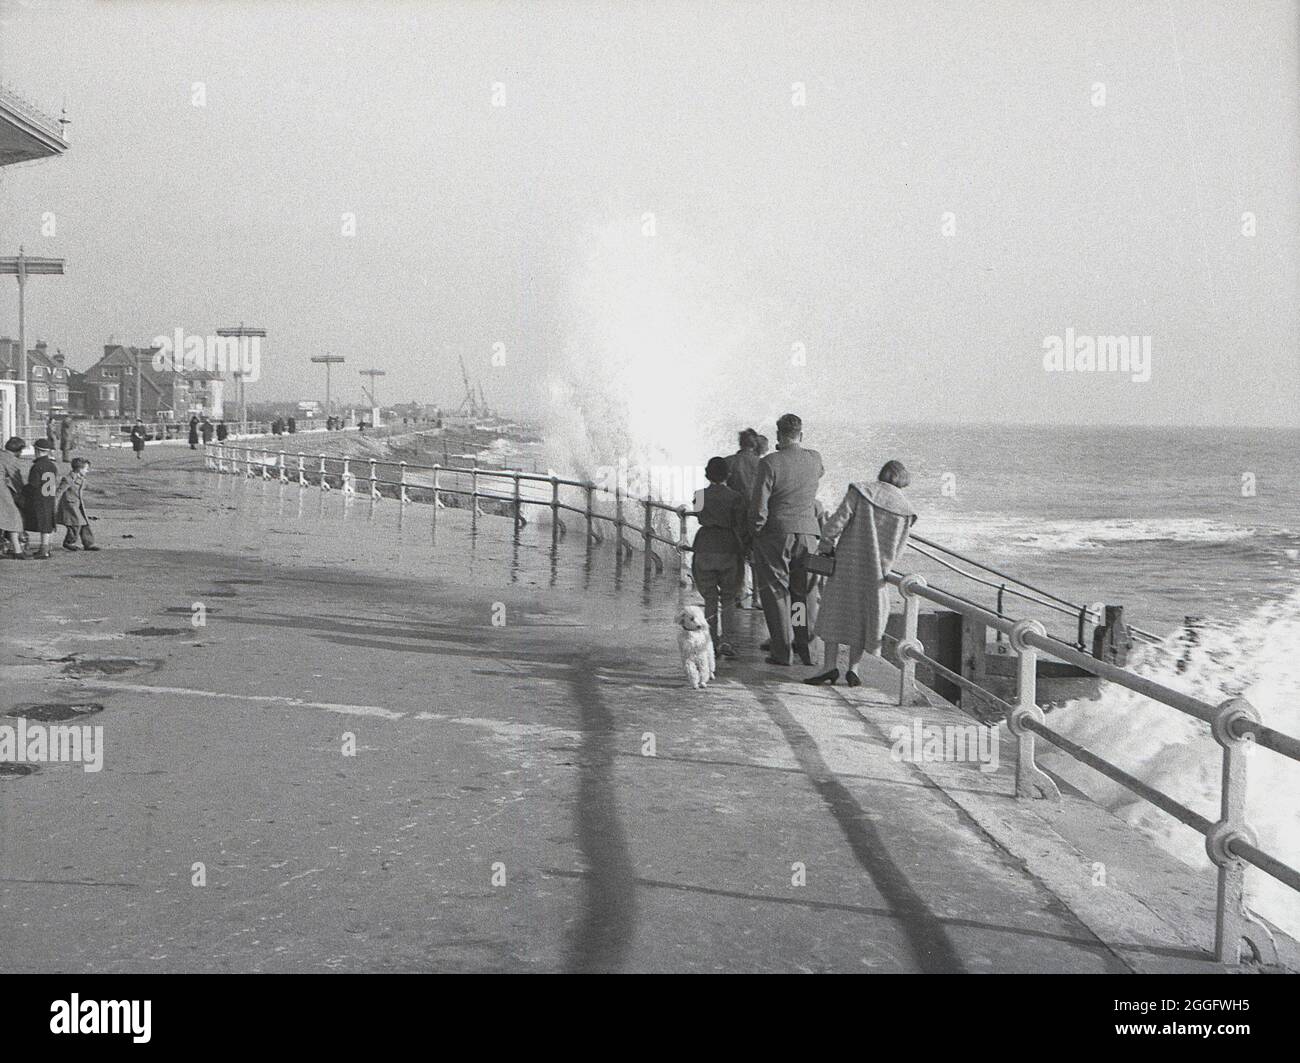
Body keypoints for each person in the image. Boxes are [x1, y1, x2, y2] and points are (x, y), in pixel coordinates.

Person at [805, 460, 917, 686]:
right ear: (902, 480)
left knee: (834, 613)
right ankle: (853, 669)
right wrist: (885, 567)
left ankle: (829, 667)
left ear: (882, 474)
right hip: (876, 573)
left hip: (847, 564)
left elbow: (837, 522)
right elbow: (899, 549)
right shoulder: (906, 511)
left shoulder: (861, 492)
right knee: (862, 617)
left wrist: (826, 544)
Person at [750, 413, 824, 666]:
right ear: (801, 435)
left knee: (776, 592)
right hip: (808, 534)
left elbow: (759, 506)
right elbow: (816, 476)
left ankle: (782, 652)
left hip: (776, 534)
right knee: (802, 594)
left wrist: (756, 532)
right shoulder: (814, 459)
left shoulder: (769, 462)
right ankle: (805, 647)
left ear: (778, 435)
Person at [691, 456, 748, 659]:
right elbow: (739, 522)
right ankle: (727, 641)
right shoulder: (736, 497)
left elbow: (698, 516)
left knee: (710, 599)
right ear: (728, 475)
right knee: (729, 598)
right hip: (729, 546)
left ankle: (711, 640)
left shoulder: (699, 495)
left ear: (708, 474)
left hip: (705, 545)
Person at [23, 438, 59, 560]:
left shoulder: (37, 466)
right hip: (50, 497)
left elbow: (33, 485)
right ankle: (46, 548)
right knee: (48, 523)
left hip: (39, 498)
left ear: (37, 450)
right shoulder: (52, 466)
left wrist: (23, 491)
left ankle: (43, 550)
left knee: (42, 524)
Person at [56, 457, 99, 552]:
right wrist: (54, 504)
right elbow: (59, 491)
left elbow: (88, 486)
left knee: (84, 523)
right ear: (79, 469)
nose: (87, 471)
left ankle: (89, 543)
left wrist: (101, 491)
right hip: (69, 507)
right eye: (86, 469)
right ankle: (69, 542)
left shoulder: (81, 479)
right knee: (75, 524)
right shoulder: (68, 479)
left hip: (78, 506)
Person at [0, 436, 26, 559]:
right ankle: (17, 551)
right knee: (13, 517)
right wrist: (22, 494)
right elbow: (17, 479)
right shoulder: (10, 459)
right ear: (18, 450)